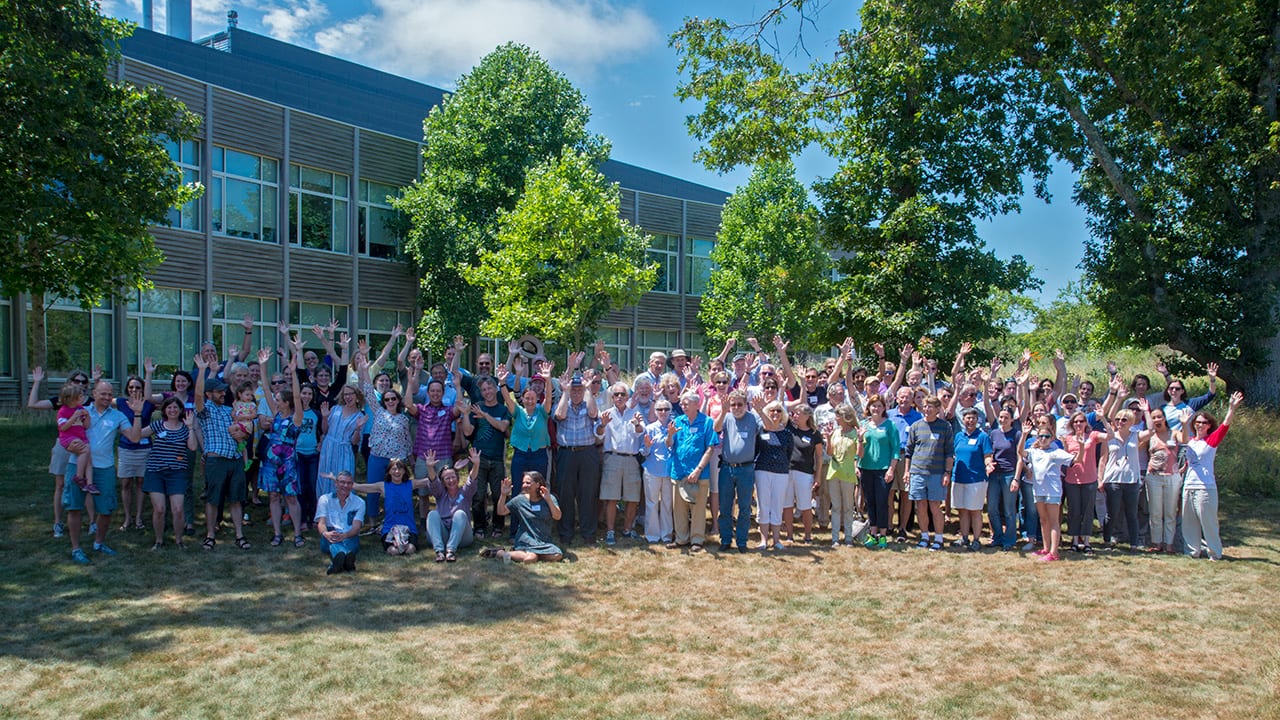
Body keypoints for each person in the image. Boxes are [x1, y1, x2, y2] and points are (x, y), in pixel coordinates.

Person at [63, 379, 133, 564]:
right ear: (94, 393)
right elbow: (64, 431)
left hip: (104, 468)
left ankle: (99, 542)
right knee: (74, 507)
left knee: (106, 509)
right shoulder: (81, 410)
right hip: (77, 464)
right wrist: (70, 446)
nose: (107, 397)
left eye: (110, 394)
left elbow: (134, 437)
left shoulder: (118, 416)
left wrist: (139, 413)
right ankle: (76, 548)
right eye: (103, 393)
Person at [193, 353, 253, 551]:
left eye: (222, 391)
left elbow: (243, 434)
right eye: (218, 392)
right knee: (213, 500)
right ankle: (210, 535)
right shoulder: (205, 410)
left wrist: (242, 436)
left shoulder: (230, 411)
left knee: (236, 500)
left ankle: (239, 535)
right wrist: (203, 371)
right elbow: (199, 396)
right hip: (216, 460)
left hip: (235, 460)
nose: (222, 394)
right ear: (210, 394)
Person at [1177, 391, 1243, 560]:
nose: (1199, 425)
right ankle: (1192, 551)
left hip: (1205, 487)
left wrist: (1232, 408)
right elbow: (1184, 442)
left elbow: (1225, 425)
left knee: (1208, 522)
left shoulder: (1211, 440)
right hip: (1189, 486)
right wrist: (1184, 424)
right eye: (1197, 422)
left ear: (1208, 425)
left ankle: (1214, 553)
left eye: (1203, 423)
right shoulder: (1191, 440)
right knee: (1189, 522)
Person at [127, 395, 198, 549]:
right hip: (156, 472)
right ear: (164, 410)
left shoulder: (186, 428)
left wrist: (191, 427)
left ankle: (179, 541)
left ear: (180, 410)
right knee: (159, 509)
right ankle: (159, 541)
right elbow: (136, 437)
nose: (172, 410)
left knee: (178, 509)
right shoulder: (158, 425)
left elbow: (192, 447)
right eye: (169, 407)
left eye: (175, 407)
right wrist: (137, 415)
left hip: (177, 473)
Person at [257, 346, 307, 549]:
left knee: (291, 498)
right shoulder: (275, 413)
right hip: (270, 461)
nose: (275, 400)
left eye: (279, 400)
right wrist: (263, 366)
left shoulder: (296, 417)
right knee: (273, 496)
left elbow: (296, 397)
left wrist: (293, 373)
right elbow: (267, 391)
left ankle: (296, 534)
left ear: (286, 402)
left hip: (288, 463)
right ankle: (277, 533)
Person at [1015, 428, 1087, 562]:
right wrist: (1024, 434)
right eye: (1040, 436)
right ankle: (1046, 548)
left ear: (1051, 438)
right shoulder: (1034, 452)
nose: (1043, 439)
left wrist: (1082, 446)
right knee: (1043, 520)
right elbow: (1020, 452)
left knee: (1053, 521)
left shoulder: (1057, 452)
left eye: (1046, 436)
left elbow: (1076, 460)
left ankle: (1054, 552)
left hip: (1053, 491)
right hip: (1038, 490)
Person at [553, 356, 600, 546]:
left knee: (588, 493)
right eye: (574, 390)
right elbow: (560, 415)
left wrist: (588, 389)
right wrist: (565, 392)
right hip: (566, 453)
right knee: (566, 493)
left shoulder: (588, 403)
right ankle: (565, 532)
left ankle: (588, 532)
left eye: (580, 389)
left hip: (587, 452)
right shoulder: (563, 402)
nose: (577, 393)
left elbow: (593, 414)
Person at [348, 456, 432, 557]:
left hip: (409, 528)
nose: (397, 472)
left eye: (400, 469)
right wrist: (340, 480)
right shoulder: (383, 486)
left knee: (410, 549)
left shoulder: (411, 484)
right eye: (394, 469)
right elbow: (360, 487)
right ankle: (395, 544)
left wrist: (430, 467)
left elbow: (430, 480)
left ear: (404, 471)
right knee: (393, 551)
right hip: (390, 528)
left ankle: (403, 544)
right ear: (389, 472)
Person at [666, 392, 719, 552]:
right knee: (679, 509)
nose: (683, 406)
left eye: (686, 403)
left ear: (697, 404)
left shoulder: (707, 422)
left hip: (698, 475)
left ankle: (697, 539)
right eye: (682, 404)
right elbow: (669, 445)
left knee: (698, 509)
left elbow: (710, 448)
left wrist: (698, 470)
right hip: (679, 473)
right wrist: (669, 435)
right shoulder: (677, 421)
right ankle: (681, 539)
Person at [596, 382, 646, 545]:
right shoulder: (606, 414)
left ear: (628, 397)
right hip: (613, 457)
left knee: (633, 498)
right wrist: (602, 425)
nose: (619, 397)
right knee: (612, 497)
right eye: (616, 394)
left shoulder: (635, 413)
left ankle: (627, 529)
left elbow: (641, 433)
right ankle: (610, 531)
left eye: (622, 394)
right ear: (612, 397)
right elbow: (598, 435)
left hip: (632, 459)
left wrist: (637, 425)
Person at [903, 396, 954, 551]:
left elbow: (949, 452)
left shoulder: (945, 427)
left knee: (935, 507)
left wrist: (947, 472)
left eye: (930, 406)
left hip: (937, 473)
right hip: (917, 472)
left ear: (938, 409)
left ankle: (938, 538)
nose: (927, 409)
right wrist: (907, 471)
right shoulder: (916, 426)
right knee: (920, 506)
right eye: (925, 406)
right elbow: (909, 452)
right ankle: (924, 537)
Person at [482, 471, 563, 563]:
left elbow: (557, 516)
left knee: (557, 555)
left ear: (538, 484)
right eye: (523, 483)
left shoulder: (549, 498)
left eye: (528, 483)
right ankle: (502, 553)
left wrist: (548, 500)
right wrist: (503, 495)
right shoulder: (519, 500)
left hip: (544, 540)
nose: (524, 485)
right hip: (526, 538)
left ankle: (518, 554)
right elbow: (501, 512)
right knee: (530, 559)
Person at [714, 389, 758, 553]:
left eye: (740, 404)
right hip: (727, 468)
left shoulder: (753, 418)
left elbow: (768, 427)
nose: (737, 407)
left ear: (746, 404)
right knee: (725, 507)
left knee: (745, 507)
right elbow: (716, 429)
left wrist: (760, 410)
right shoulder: (726, 417)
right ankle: (725, 540)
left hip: (746, 469)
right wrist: (724, 410)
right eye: (733, 404)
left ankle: (742, 541)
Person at [115, 366, 156, 531]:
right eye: (131, 387)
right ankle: (127, 516)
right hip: (126, 448)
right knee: (125, 483)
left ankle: (138, 516)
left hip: (144, 448)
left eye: (138, 387)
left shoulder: (148, 405)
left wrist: (149, 375)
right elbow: (100, 402)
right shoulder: (120, 403)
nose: (134, 390)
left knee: (140, 482)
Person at [423, 448, 481, 562]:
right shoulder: (440, 494)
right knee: (432, 514)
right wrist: (430, 467)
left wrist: (476, 464)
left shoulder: (465, 493)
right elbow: (434, 482)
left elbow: (472, 479)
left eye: (453, 477)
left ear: (458, 478)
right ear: (443, 481)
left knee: (460, 514)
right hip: (443, 534)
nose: (451, 480)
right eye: (447, 478)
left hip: (462, 536)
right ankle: (439, 551)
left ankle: (450, 551)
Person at [1062, 411, 1108, 553]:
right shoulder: (1068, 438)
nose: (1078, 424)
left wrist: (1104, 419)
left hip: (1090, 479)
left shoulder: (1092, 436)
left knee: (1088, 512)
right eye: (1075, 421)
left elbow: (1110, 436)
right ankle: (1075, 542)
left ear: (1085, 423)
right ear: (1072, 423)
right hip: (1072, 479)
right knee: (1074, 511)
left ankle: (1087, 542)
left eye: (1081, 421)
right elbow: (1065, 458)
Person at [1138, 398, 1180, 553]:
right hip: (1153, 477)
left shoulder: (1174, 433)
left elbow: (1187, 441)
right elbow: (1136, 447)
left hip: (1172, 476)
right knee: (1155, 512)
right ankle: (1157, 543)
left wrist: (1184, 424)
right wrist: (1145, 413)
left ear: (1165, 418)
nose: (1156, 420)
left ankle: (1169, 544)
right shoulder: (1150, 436)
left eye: (1159, 417)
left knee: (1170, 512)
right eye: (1154, 417)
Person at [856, 394, 897, 549]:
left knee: (882, 502)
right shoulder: (863, 425)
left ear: (884, 408)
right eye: (873, 405)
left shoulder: (890, 426)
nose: (876, 408)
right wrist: (859, 439)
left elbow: (895, 451)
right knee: (870, 502)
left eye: (879, 405)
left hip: (883, 470)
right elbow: (858, 452)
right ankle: (872, 533)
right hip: (866, 468)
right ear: (869, 407)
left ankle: (883, 535)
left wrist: (891, 470)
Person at [950, 406, 994, 551]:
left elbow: (987, 455)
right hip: (959, 477)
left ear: (977, 420)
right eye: (968, 418)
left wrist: (988, 465)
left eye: (973, 418)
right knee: (962, 510)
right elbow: (954, 454)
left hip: (976, 479)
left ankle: (976, 539)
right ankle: (964, 538)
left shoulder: (982, 437)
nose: (970, 421)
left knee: (975, 511)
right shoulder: (958, 436)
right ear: (963, 420)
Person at [1100, 408, 1144, 551]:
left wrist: (1146, 412)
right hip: (1112, 479)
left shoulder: (1136, 436)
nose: (1120, 422)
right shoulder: (1109, 437)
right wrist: (1100, 479)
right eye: (1117, 419)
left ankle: (1134, 544)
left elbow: (1151, 430)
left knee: (1131, 513)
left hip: (1131, 480)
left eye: (1124, 420)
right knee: (1111, 513)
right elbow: (1103, 460)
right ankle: (1107, 541)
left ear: (1131, 422)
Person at [784, 403, 823, 544]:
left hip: (805, 473)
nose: (795, 416)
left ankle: (807, 536)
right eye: (794, 413)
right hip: (787, 472)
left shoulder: (814, 434)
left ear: (807, 416)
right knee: (787, 505)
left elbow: (819, 456)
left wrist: (817, 476)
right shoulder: (789, 429)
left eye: (798, 413)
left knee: (805, 506)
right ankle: (789, 535)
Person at [986, 407, 1022, 551]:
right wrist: (988, 463)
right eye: (1001, 417)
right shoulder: (993, 433)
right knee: (992, 508)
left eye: (1006, 417)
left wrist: (1016, 478)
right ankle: (998, 536)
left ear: (1012, 420)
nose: (1003, 420)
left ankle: (1010, 539)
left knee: (1009, 510)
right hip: (994, 475)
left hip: (1009, 474)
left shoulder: (1017, 434)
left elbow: (1020, 458)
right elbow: (989, 453)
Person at [824, 404, 860, 547]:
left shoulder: (855, 433)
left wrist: (861, 439)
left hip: (848, 472)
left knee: (848, 506)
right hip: (834, 472)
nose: (836, 418)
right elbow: (830, 453)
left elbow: (859, 454)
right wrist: (828, 439)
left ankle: (849, 537)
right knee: (836, 506)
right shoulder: (835, 432)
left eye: (838, 415)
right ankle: (835, 538)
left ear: (846, 417)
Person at [316, 470, 364, 574]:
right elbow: (321, 523)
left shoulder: (359, 503)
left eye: (349, 483)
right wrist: (326, 534)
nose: (345, 485)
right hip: (331, 533)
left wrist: (345, 535)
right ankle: (347, 560)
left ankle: (337, 563)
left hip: (349, 535)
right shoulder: (324, 499)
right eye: (342, 482)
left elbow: (356, 527)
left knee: (347, 543)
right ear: (336, 483)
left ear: (352, 485)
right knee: (332, 541)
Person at [641, 399, 675, 545]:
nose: (663, 412)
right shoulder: (649, 428)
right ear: (655, 411)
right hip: (652, 470)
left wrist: (670, 435)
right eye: (660, 409)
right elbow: (643, 451)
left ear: (670, 411)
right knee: (652, 503)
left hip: (668, 471)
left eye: (666, 409)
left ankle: (667, 534)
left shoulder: (675, 427)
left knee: (667, 503)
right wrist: (647, 446)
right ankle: (652, 535)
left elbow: (673, 446)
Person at [57, 383, 97, 495]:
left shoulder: (81, 408)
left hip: (81, 436)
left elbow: (86, 426)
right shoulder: (63, 411)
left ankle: (89, 483)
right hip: (68, 438)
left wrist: (87, 416)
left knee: (88, 455)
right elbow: (63, 427)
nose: (83, 398)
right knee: (84, 450)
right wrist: (74, 417)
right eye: (80, 396)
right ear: (71, 398)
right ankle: (79, 476)